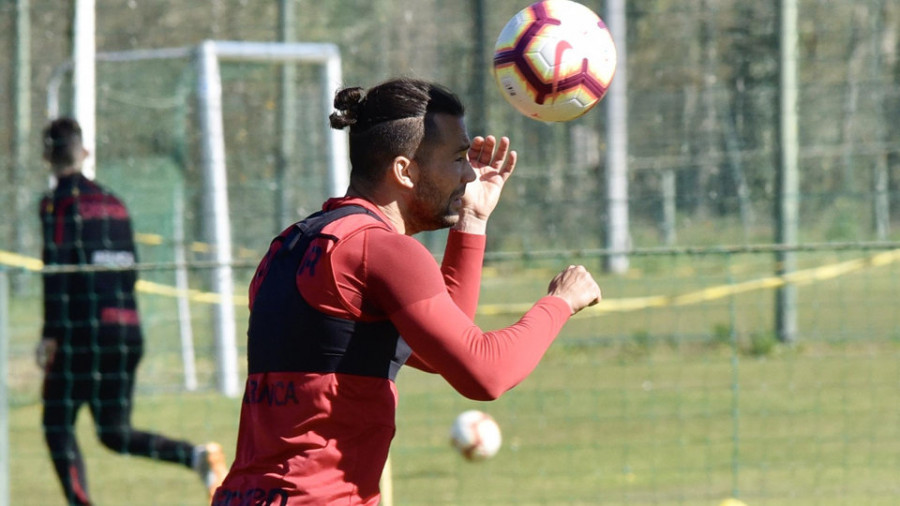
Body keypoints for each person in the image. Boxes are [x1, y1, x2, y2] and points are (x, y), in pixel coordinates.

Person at [213, 78, 601, 505]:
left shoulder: (291, 245)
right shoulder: (382, 250)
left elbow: (441, 348)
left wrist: (472, 219)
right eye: (457, 158)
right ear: (404, 170)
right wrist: (560, 302)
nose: (470, 173)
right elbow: (486, 373)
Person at [36, 117, 229, 505]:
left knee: (56, 422)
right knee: (113, 433)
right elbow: (130, 270)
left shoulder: (57, 204)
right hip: (126, 331)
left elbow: (57, 270)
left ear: (46, 156)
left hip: (82, 332)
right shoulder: (114, 203)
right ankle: (197, 456)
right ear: (85, 152)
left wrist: (50, 333)